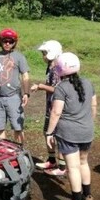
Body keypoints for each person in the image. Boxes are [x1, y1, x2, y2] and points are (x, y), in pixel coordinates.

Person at [45, 52, 97, 200]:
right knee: (83, 162)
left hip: (69, 133)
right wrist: (88, 122)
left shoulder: (61, 88)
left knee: (73, 167)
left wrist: (49, 133)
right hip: (87, 130)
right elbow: (93, 106)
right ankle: (88, 196)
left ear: (60, 69)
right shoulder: (88, 83)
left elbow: (56, 113)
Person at [0, 28, 30, 145]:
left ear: (14, 42)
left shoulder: (19, 57)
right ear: (0, 41)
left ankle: (20, 152)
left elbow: (25, 76)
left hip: (14, 97)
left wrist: (26, 93)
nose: (7, 44)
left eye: (10, 41)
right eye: (5, 41)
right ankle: (2, 154)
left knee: (17, 127)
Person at [30, 40, 65, 176]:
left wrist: (40, 86)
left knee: (57, 136)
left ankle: (62, 168)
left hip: (56, 108)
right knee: (47, 133)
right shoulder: (51, 67)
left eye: (44, 53)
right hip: (49, 107)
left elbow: (57, 89)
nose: (42, 56)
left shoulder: (56, 69)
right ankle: (52, 160)